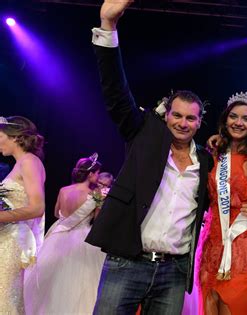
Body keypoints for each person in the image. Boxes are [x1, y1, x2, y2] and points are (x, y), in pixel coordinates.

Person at [85, 2, 214, 314]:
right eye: (177, 115)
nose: (183, 123)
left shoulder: (207, 162)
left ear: (200, 122)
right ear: (165, 115)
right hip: (127, 262)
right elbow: (116, 92)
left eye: (191, 119)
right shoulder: (144, 134)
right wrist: (108, 26)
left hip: (173, 272)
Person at [199, 92, 247, 314]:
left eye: (246, 119)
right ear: (225, 119)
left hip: (242, 248)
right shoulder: (216, 153)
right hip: (213, 245)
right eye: (234, 116)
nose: (238, 123)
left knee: (235, 306)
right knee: (210, 305)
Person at [24, 153, 107, 315]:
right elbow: (98, 219)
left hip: (58, 235)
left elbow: (56, 213)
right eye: (97, 173)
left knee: (52, 279)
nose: (98, 177)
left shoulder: (63, 190)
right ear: (90, 174)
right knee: (80, 280)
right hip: (83, 238)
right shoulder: (95, 195)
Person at [0, 116, 45, 314]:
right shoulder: (20, 163)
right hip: (6, 237)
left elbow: (37, 207)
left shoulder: (30, 161)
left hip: (14, 241)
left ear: (15, 137)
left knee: (5, 298)